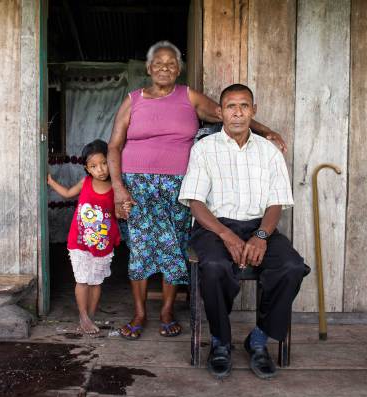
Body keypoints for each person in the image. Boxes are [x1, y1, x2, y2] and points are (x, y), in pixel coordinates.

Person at [108, 40, 287, 340]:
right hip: (137, 187)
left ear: (178, 69)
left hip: (179, 187)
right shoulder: (133, 100)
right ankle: (139, 313)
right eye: (159, 63)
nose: (165, 67)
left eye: (171, 63)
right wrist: (117, 188)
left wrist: (265, 130)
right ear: (149, 68)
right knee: (139, 250)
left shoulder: (187, 96)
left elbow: (228, 113)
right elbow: (114, 145)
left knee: (174, 250)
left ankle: (166, 311)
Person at [178, 84, 310, 379]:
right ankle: (220, 342)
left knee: (291, 266)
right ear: (220, 112)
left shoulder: (269, 152)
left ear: (254, 110)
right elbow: (196, 202)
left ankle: (259, 339)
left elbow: (276, 201)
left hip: (258, 226)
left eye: (244, 106)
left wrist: (262, 236)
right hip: (214, 226)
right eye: (231, 107)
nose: (237, 113)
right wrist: (226, 234)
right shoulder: (204, 149)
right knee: (212, 266)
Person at [47, 139, 121, 334]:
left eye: (104, 163)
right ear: (87, 169)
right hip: (79, 243)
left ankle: (91, 316)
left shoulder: (116, 187)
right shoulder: (85, 182)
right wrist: (51, 181)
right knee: (82, 280)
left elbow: (121, 213)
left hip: (103, 245)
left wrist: (126, 206)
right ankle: (83, 316)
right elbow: (67, 194)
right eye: (94, 166)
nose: (101, 169)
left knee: (96, 282)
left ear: (111, 161)